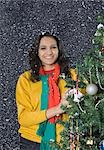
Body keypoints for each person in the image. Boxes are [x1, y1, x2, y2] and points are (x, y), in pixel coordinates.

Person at [15, 32, 76, 150]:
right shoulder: (26, 79)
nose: (49, 52)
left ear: (59, 50)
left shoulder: (73, 75)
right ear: (36, 52)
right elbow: (24, 118)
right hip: (33, 141)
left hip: (66, 141)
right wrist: (57, 109)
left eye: (53, 47)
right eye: (43, 48)